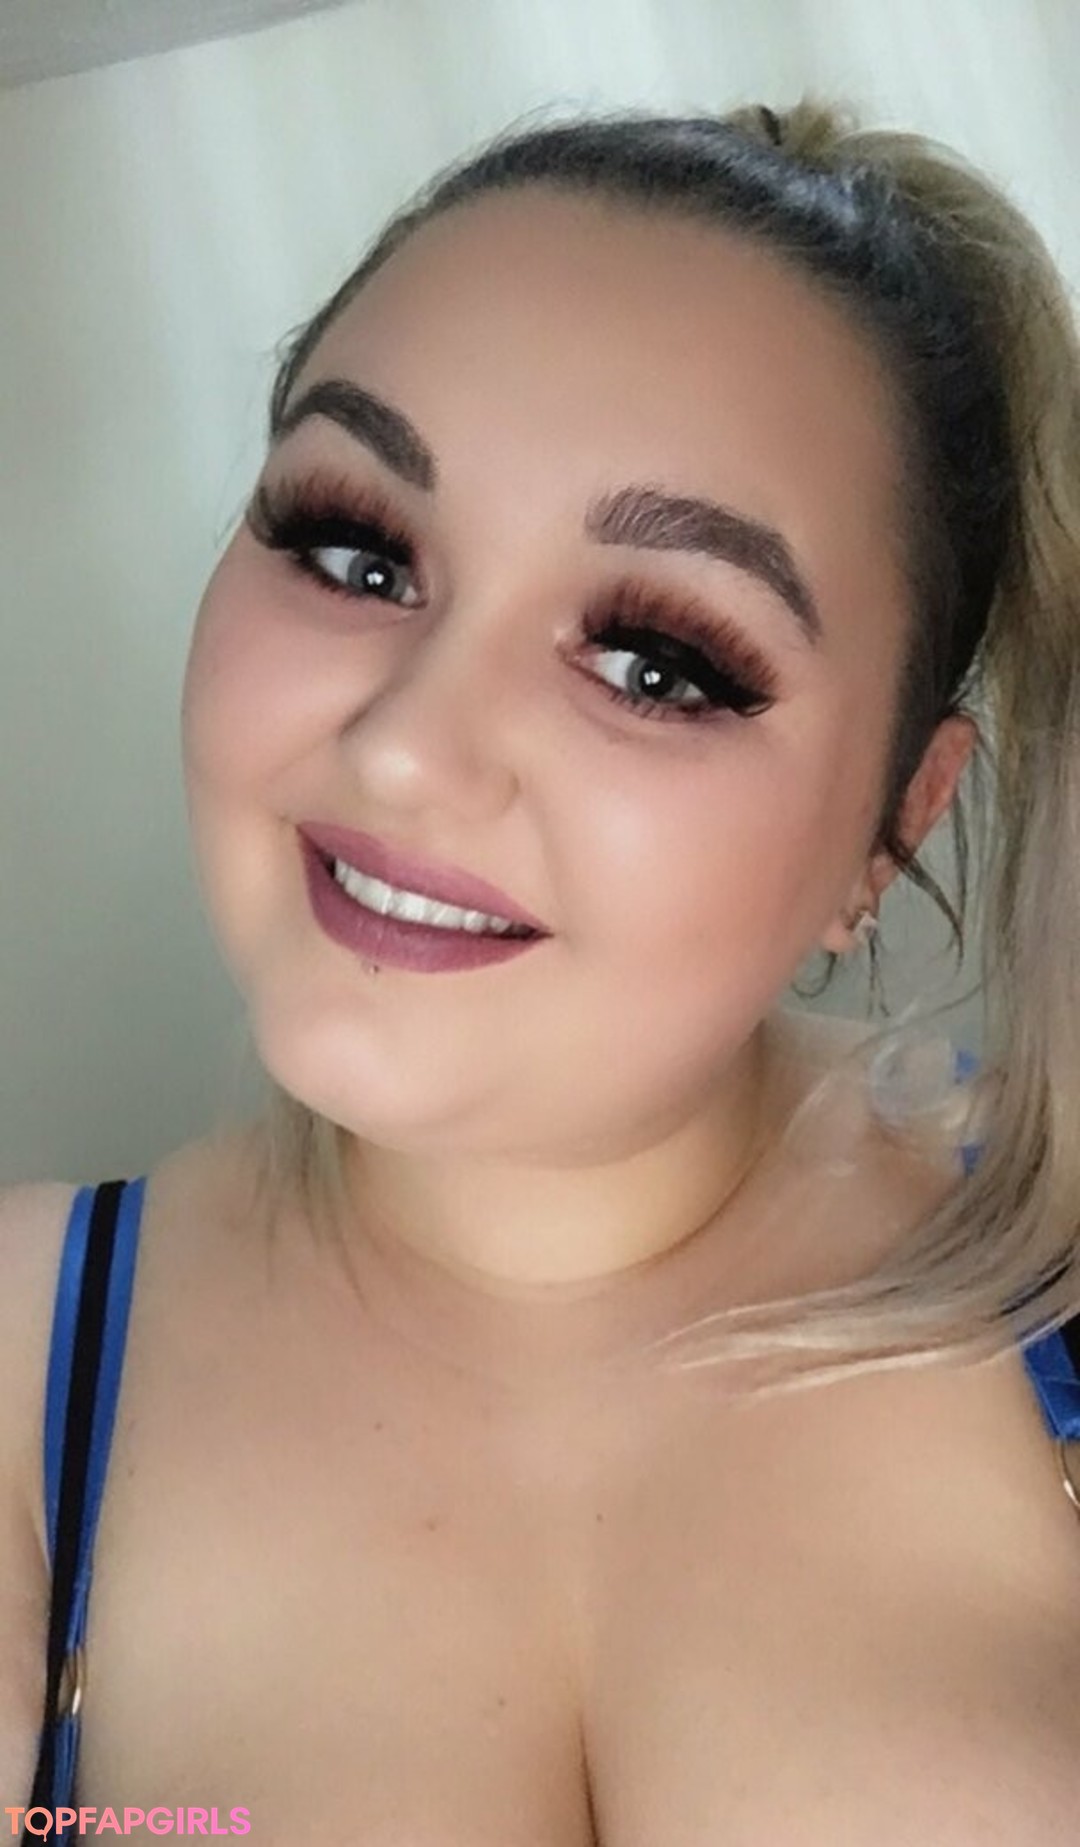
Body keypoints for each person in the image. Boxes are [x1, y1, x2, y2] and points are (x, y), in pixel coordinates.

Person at [3, 93, 1080, 1845]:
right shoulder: (17, 1360)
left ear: (895, 824)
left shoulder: (1058, 1252)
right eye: (355, 549)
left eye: (658, 662)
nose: (405, 750)